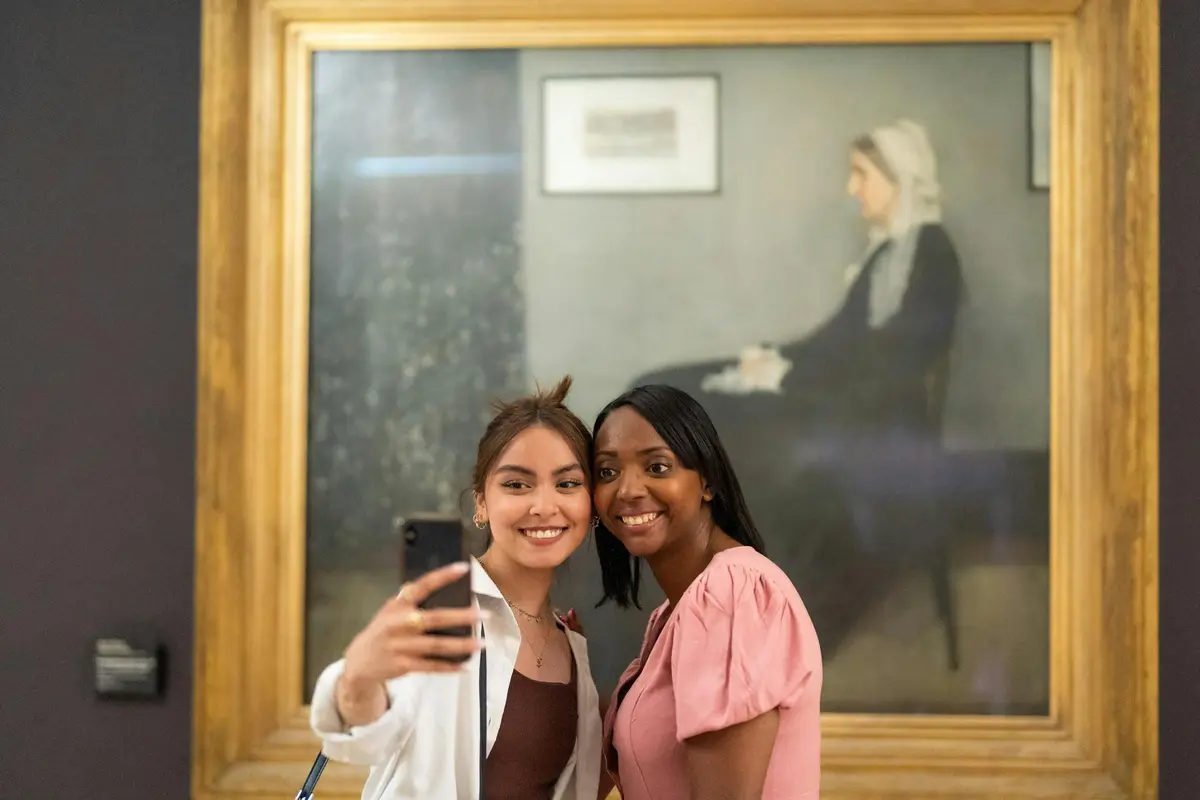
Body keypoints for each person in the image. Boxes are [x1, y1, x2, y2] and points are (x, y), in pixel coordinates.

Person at [309, 376, 603, 800]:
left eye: (568, 483)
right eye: (517, 484)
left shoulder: (573, 647)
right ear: (481, 502)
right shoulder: (443, 611)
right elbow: (369, 731)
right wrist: (357, 678)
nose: (543, 505)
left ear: (590, 503)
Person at [591, 384, 823, 800]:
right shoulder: (678, 611)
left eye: (657, 467)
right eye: (607, 472)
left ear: (707, 482)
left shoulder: (731, 593)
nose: (627, 489)